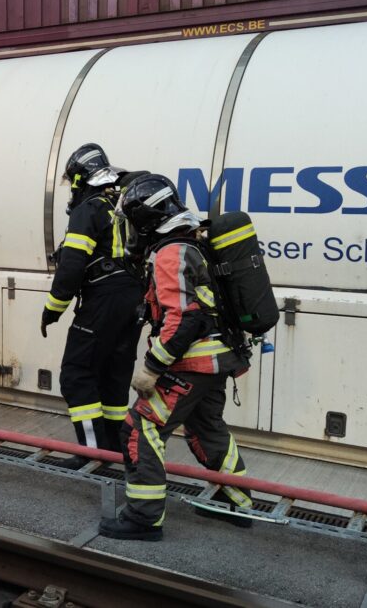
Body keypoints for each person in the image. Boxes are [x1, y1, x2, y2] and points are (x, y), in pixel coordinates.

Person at [98, 173, 253, 542]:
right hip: (217, 360)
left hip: (192, 363)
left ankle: (143, 517)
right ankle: (237, 502)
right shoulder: (191, 243)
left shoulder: (170, 253)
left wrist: (152, 368)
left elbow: (183, 318)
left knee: (141, 427)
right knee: (206, 428)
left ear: (146, 220)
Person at [41, 143, 145, 461]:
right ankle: (114, 452)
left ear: (79, 178)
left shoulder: (90, 208)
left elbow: (71, 266)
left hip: (103, 298)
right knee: (113, 376)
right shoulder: (126, 204)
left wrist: (52, 310)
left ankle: (91, 454)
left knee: (76, 374)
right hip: (134, 299)